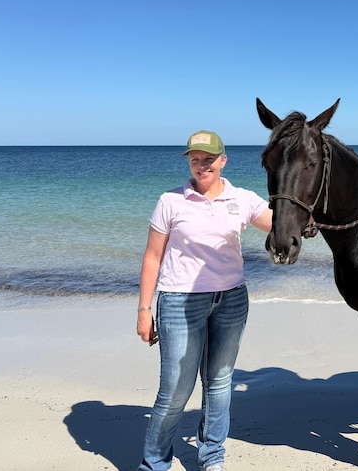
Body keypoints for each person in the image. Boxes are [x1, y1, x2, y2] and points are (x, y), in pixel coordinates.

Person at [136, 130, 273, 471]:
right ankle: (154, 463)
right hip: (180, 303)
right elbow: (153, 257)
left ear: (223, 161)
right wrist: (144, 308)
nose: (202, 166)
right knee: (175, 391)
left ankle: (212, 457)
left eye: (209, 159)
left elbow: (283, 223)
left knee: (219, 383)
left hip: (231, 300)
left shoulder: (242, 199)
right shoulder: (170, 200)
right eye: (195, 159)